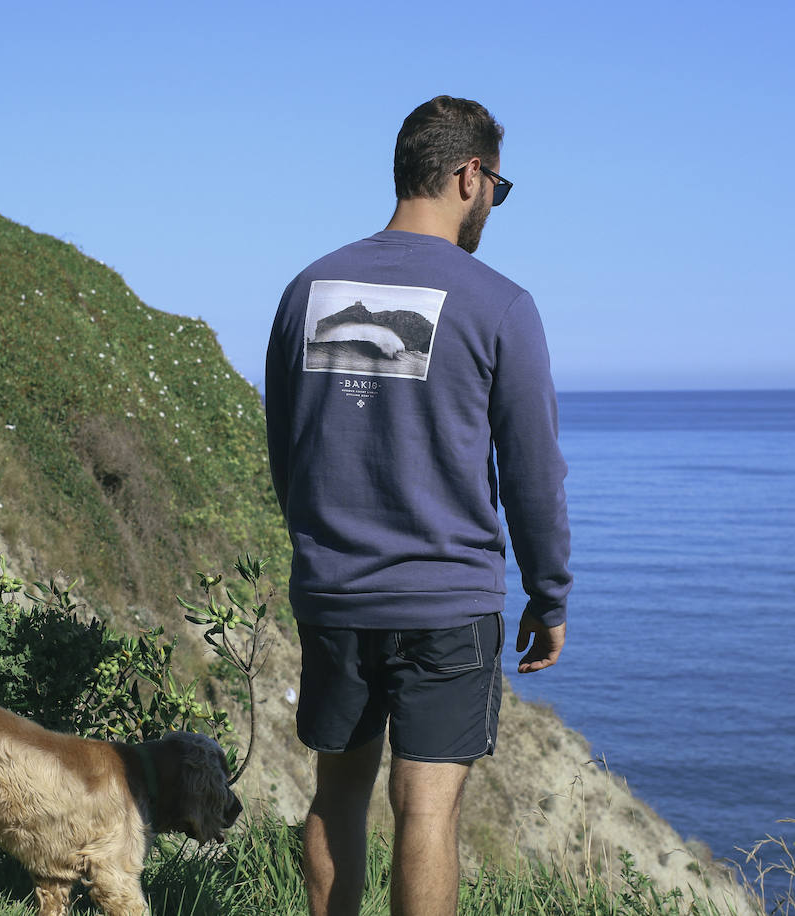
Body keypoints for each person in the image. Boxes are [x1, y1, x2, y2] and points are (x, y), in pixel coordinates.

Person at [263, 95, 572, 916]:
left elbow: (287, 447)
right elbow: (535, 472)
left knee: (336, 794)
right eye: (495, 191)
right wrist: (550, 595)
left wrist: (323, 547)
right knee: (426, 807)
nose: (490, 209)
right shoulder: (500, 303)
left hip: (335, 589)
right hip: (444, 598)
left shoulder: (306, 290)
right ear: (470, 175)